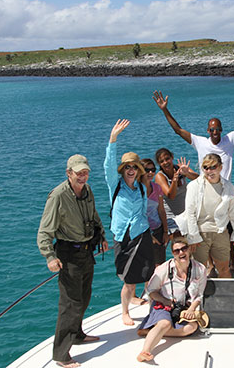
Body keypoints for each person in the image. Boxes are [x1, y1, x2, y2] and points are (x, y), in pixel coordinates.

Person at [37, 154, 109, 368]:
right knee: (70, 304)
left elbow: (94, 215)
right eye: (79, 173)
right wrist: (50, 256)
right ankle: (61, 354)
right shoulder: (58, 196)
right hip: (68, 254)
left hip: (86, 252)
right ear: (69, 173)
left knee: (84, 297)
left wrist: (102, 236)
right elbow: (44, 231)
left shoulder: (87, 191)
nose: (83, 176)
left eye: (85, 172)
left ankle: (77, 334)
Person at [152, 83, 234, 180]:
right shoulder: (200, 142)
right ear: (208, 131)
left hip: (224, 190)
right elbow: (178, 130)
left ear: (221, 130)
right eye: (212, 129)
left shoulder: (229, 140)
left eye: (217, 129)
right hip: (206, 189)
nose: (215, 132)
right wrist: (164, 109)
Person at [105, 119, 155, 326]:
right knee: (127, 278)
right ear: (122, 169)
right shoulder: (115, 186)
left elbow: (145, 210)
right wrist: (113, 139)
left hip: (142, 234)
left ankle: (149, 305)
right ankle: (125, 312)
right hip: (123, 236)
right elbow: (108, 164)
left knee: (147, 274)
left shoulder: (141, 188)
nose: (131, 170)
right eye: (127, 167)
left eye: (135, 167)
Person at [136, 240, 208, 362]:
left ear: (189, 249)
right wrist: (165, 301)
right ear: (173, 254)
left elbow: (199, 295)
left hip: (183, 307)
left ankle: (151, 330)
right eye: (177, 251)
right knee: (165, 323)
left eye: (184, 249)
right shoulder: (163, 269)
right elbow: (151, 292)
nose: (181, 252)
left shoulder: (200, 269)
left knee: (192, 327)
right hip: (163, 304)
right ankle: (145, 351)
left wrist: (191, 309)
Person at [183, 153, 234, 277]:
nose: (209, 171)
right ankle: (197, 296)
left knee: (224, 269)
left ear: (221, 167)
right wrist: (193, 237)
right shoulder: (193, 186)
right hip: (200, 233)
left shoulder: (229, 187)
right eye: (205, 167)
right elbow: (190, 213)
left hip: (221, 232)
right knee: (198, 271)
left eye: (213, 167)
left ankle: (227, 296)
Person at [154, 148, 198, 243]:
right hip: (172, 219)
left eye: (167, 158)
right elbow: (171, 195)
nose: (165, 162)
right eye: (162, 161)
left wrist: (187, 173)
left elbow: (198, 179)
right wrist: (174, 180)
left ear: (172, 157)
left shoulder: (180, 168)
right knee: (179, 244)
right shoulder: (160, 176)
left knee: (192, 244)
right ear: (159, 163)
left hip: (186, 214)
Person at [141, 158, 169, 267]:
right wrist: (147, 235)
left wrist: (165, 232)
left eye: (153, 170)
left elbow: (161, 210)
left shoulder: (157, 188)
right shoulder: (136, 190)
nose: (151, 173)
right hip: (142, 233)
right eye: (147, 170)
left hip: (158, 231)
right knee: (146, 269)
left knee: (159, 267)